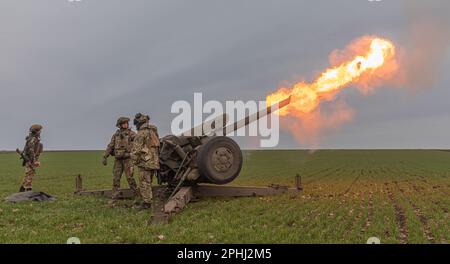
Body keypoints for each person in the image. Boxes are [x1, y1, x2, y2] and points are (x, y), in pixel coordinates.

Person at [103, 117, 138, 206]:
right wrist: (105, 156)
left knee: (130, 178)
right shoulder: (116, 135)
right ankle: (114, 198)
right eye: (124, 123)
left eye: (126, 123)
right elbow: (110, 146)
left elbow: (138, 143)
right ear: (120, 125)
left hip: (127, 159)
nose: (126, 124)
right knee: (116, 179)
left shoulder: (132, 134)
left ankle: (137, 196)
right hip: (118, 160)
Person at [131, 113, 160, 209]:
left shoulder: (141, 134)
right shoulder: (153, 131)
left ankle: (147, 203)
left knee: (144, 183)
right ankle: (149, 200)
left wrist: (134, 162)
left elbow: (136, 150)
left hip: (145, 163)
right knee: (149, 182)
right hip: (154, 161)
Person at [19, 124, 43, 192]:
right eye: (40, 130)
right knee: (29, 174)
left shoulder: (33, 138)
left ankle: (22, 189)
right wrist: (34, 161)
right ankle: (27, 190)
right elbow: (31, 151)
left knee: (29, 174)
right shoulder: (33, 139)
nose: (41, 132)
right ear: (36, 131)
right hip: (30, 160)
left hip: (29, 159)